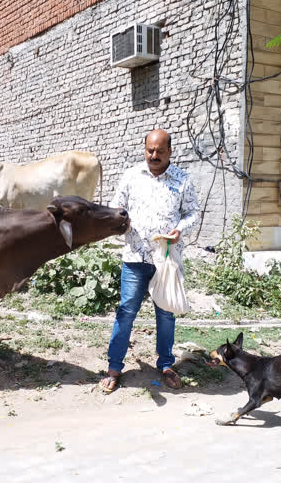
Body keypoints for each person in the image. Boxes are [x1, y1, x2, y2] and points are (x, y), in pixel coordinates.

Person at [99, 129, 199, 393]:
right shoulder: (131, 176)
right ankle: (114, 367)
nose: (154, 156)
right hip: (135, 256)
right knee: (126, 311)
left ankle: (166, 364)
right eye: (149, 150)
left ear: (170, 152)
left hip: (166, 259)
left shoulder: (182, 179)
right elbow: (115, 207)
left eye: (160, 151)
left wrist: (180, 231)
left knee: (166, 314)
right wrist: (122, 221)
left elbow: (192, 213)